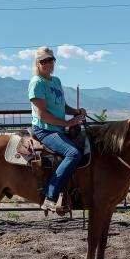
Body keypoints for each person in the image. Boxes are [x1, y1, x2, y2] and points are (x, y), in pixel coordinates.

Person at [28, 46, 87, 213]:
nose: (48, 63)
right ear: (37, 63)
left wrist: (76, 112)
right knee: (73, 153)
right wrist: (67, 124)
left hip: (58, 128)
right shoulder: (37, 83)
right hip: (45, 130)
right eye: (43, 61)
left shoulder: (56, 81)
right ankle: (50, 196)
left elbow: (61, 106)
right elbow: (43, 115)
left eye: (50, 60)